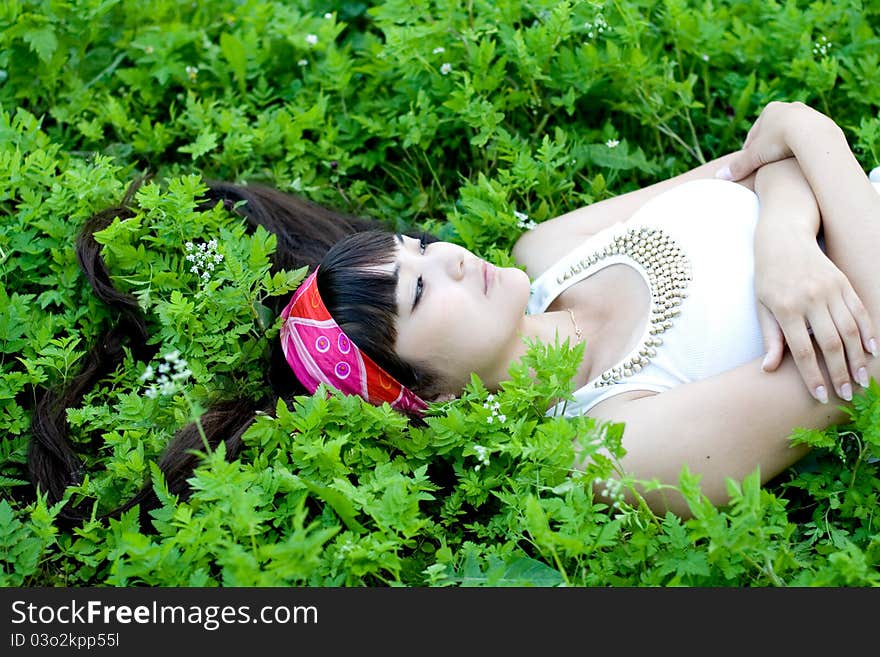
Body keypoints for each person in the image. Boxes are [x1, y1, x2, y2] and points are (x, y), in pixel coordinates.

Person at [28, 101, 880, 522]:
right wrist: (809, 156)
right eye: (420, 288)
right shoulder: (611, 444)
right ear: (423, 396)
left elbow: (773, 137)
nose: (445, 255)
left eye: (417, 246)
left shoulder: (549, 249)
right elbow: (865, 361)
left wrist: (789, 245)